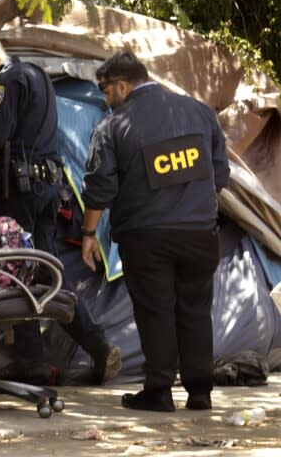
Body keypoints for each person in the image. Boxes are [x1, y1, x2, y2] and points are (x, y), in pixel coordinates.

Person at [0, 30, 120, 385]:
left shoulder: (4, 82)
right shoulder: (36, 75)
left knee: (14, 270)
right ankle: (96, 344)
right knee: (48, 270)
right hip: (46, 188)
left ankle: (33, 364)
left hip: (18, 192)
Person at [80, 51, 230, 411]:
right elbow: (219, 175)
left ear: (122, 85)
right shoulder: (198, 111)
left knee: (156, 311)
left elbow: (100, 188)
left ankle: (159, 391)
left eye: (106, 91)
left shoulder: (114, 127)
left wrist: (89, 235)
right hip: (199, 234)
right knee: (195, 309)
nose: (105, 99)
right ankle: (199, 392)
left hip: (147, 237)